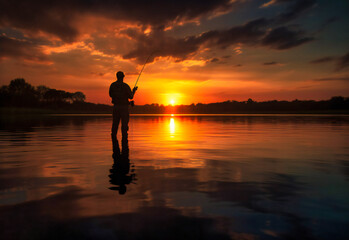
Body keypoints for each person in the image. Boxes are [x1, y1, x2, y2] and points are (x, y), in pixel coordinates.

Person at [109, 71, 137, 149]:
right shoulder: (125, 86)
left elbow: (110, 95)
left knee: (115, 125)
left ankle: (114, 144)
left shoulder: (113, 85)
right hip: (124, 108)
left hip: (116, 107)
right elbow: (131, 96)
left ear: (117, 76)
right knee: (124, 126)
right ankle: (124, 145)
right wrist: (134, 90)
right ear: (123, 77)